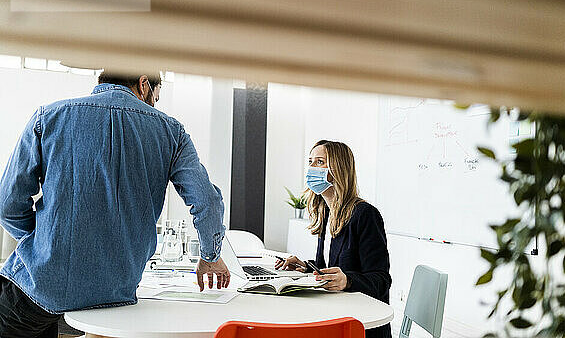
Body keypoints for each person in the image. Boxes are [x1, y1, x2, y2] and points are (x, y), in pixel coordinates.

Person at [0, 71, 230, 337]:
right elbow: (207, 201)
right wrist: (210, 256)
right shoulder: (172, 132)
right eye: (156, 97)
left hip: (38, 288)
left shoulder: (49, 117)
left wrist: (41, 242)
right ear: (144, 84)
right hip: (113, 299)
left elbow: (7, 204)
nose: (154, 105)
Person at [275, 140, 392, 338]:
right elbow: (330, 265)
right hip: (335, 312)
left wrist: (347, 281)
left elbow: (381, 280)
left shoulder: (365, 214)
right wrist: (306, 267)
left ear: (338, 169)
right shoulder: (327, 213)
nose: (311, 168)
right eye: (310, 161)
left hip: (361, 324)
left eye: (319, 162)